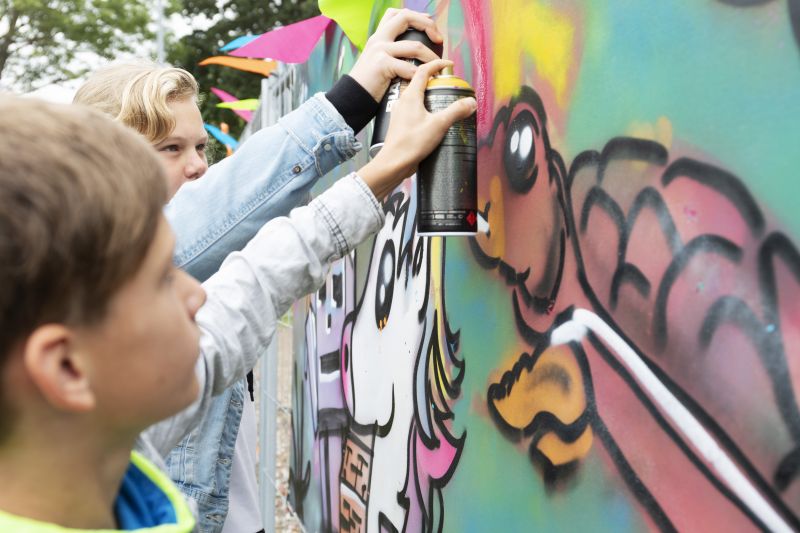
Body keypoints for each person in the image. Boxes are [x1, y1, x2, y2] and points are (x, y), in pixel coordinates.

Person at [0, 57, 475, 532]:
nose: (197, 295)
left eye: (200, 147)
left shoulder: (106, 435)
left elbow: (252, 287)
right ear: (65, 366)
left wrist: (385, 168)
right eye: (162, 280)